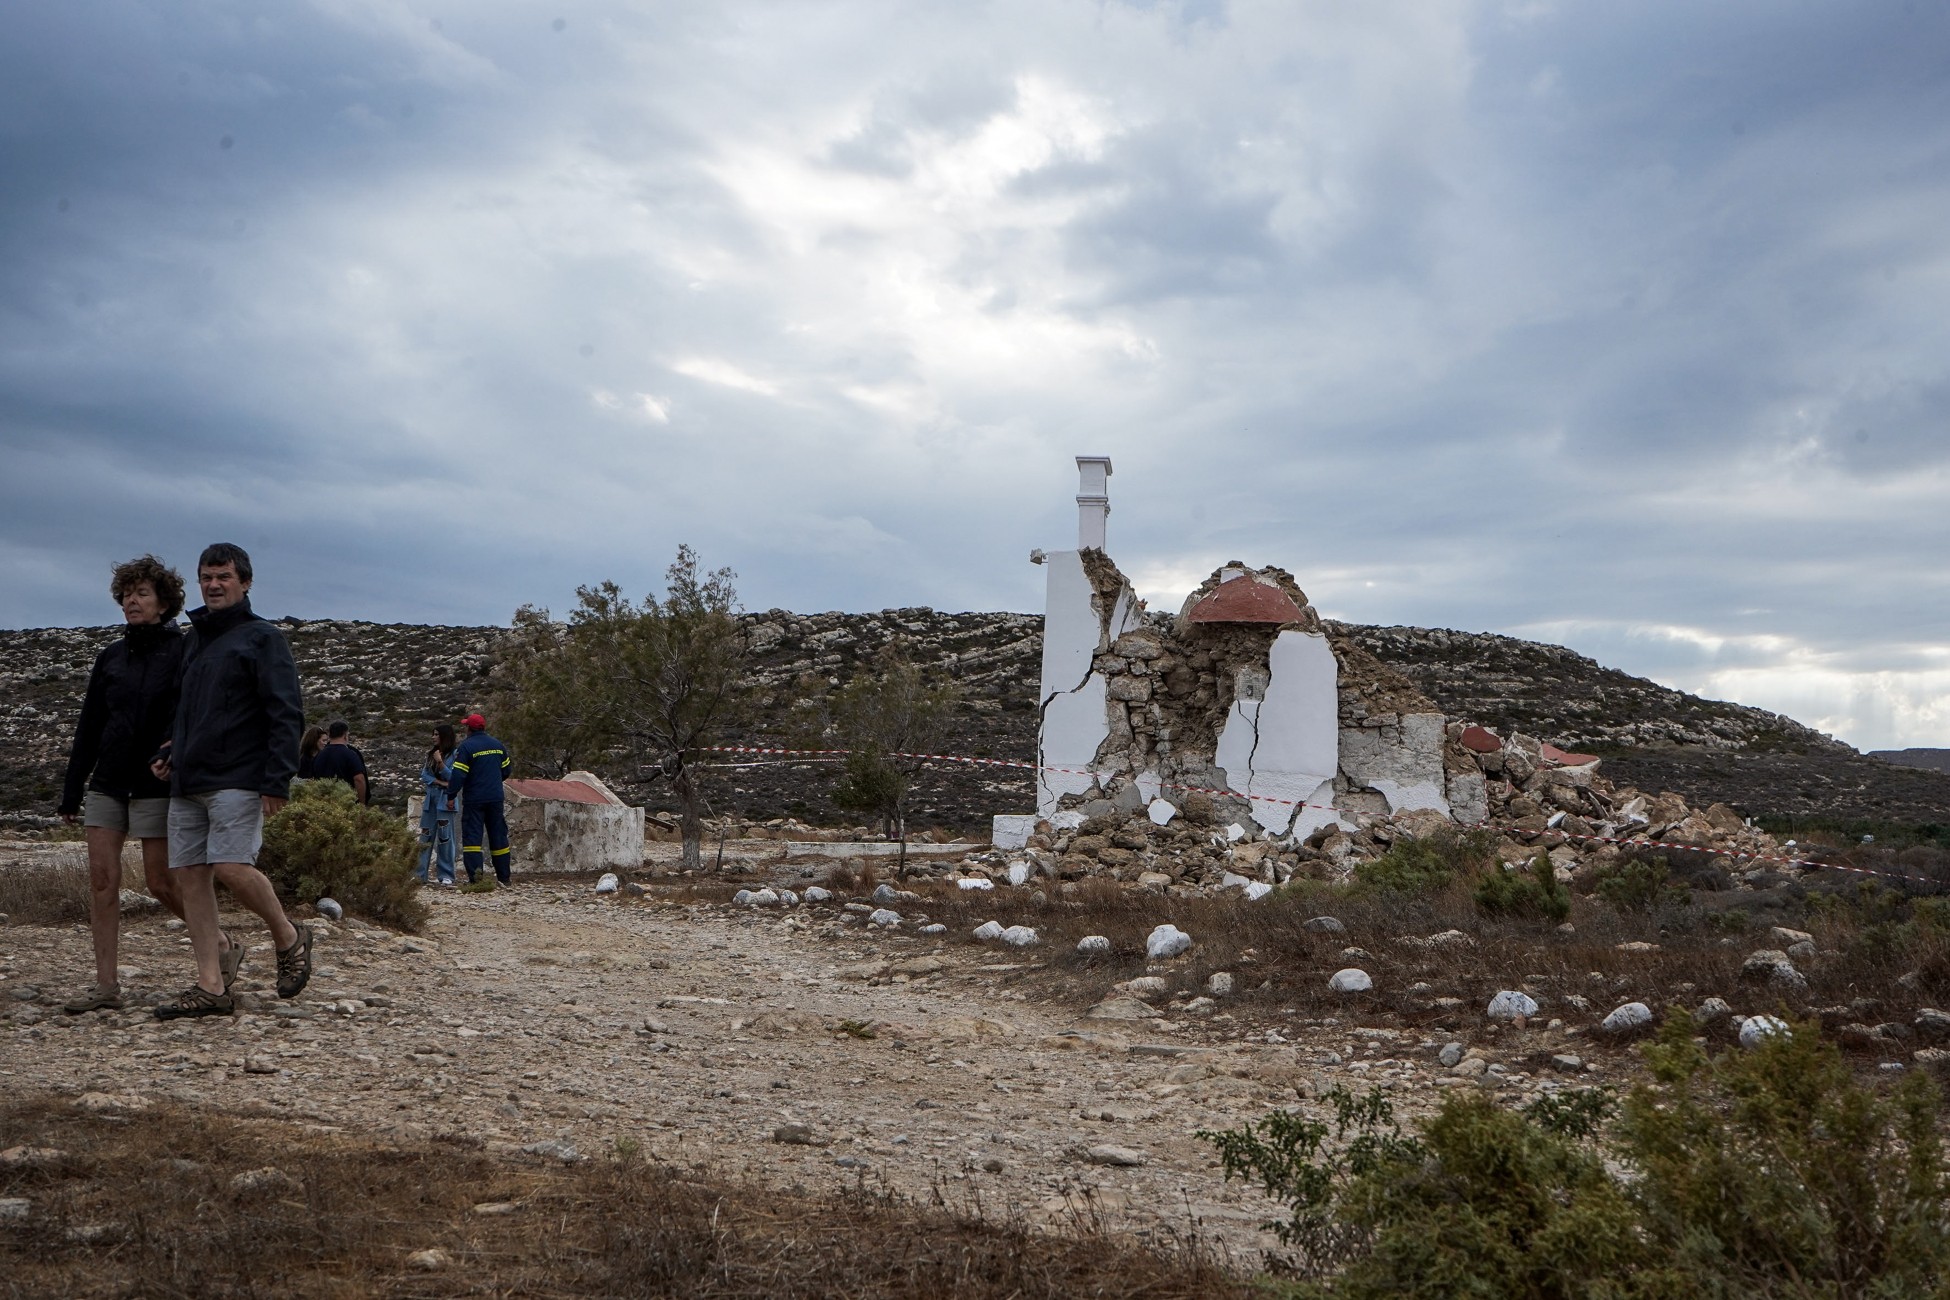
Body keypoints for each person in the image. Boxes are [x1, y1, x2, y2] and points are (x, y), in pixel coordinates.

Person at [55, 556, 242, 1013]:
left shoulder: (183, 650)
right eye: (126, 594)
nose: (131, 601)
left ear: (163, 602)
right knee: (102, 881)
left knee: (161, 882)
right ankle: (105, 986)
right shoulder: (110, 657)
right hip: (108, 781)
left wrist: (172, 753)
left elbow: (189, 712)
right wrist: (72, 788)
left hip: (156, 781)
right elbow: (90, 724)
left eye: (141, 593)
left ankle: (219, 943)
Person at [150, 542, 314, 1020]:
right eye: (207, 577)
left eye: (223, 576)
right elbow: (186, 710)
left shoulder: (263, 638)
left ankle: (288, 934)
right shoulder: (194, 640)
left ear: (245, 582)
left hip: (238, 776)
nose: (214, 585)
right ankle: (212, 986)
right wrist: (169, 751)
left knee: (230, 866)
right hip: (188, 780)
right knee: (189, 877)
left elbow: (285, 712)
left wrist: (277, 779)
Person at [449, 712, 512, 886]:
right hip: (495, 798)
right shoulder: (498, 745)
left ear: (469, 728)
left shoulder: (466, 747)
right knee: (498, 836)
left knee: (472, 839)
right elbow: (506, 770)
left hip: (474, 799)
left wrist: (451, 795)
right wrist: (493, 782)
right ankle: (504, 878)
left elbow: (458, 775)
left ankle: (476, 880)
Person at [417, 724, 459, 886]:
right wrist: (440, 782)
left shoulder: (455, 754)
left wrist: (441, 763)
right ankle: (419, 874)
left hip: (446, 800)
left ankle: (446, 874)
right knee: (425, 836)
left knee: (445, 837)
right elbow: (425, 775)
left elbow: (453, 777)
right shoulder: (430, 755)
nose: (433, 737)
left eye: (436, 734)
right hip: (431, 800)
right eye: (433, 734)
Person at [310, 718, 368, 803]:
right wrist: (361, 803)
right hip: (347, 803)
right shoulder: (351, 754)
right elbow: (359, 779)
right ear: (345, 736)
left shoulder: (319, 755)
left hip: (324, 803)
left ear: (330, 735)